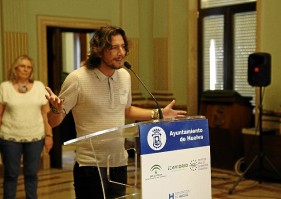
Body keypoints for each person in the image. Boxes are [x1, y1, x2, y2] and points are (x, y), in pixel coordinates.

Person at [45, 25, 187, 199]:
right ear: (98, 50)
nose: (121, 52)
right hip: (90, 165)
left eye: (123, 46)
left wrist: (158, 114)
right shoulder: (77, 79)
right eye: (114, 47)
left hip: (119, 162)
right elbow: (54, 121)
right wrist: (55, 109)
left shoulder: (124, 76)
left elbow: (126, 110)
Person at [0, 55, 53, 199]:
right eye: (23, 66)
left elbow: (45, 114)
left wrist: (49, 136)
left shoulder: (39, 87)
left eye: (29, 67)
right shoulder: (5, 87)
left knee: (31, 174)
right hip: (9, 137)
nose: (26, 69)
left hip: (35, 137)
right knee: (11, 174)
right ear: (15, 68)